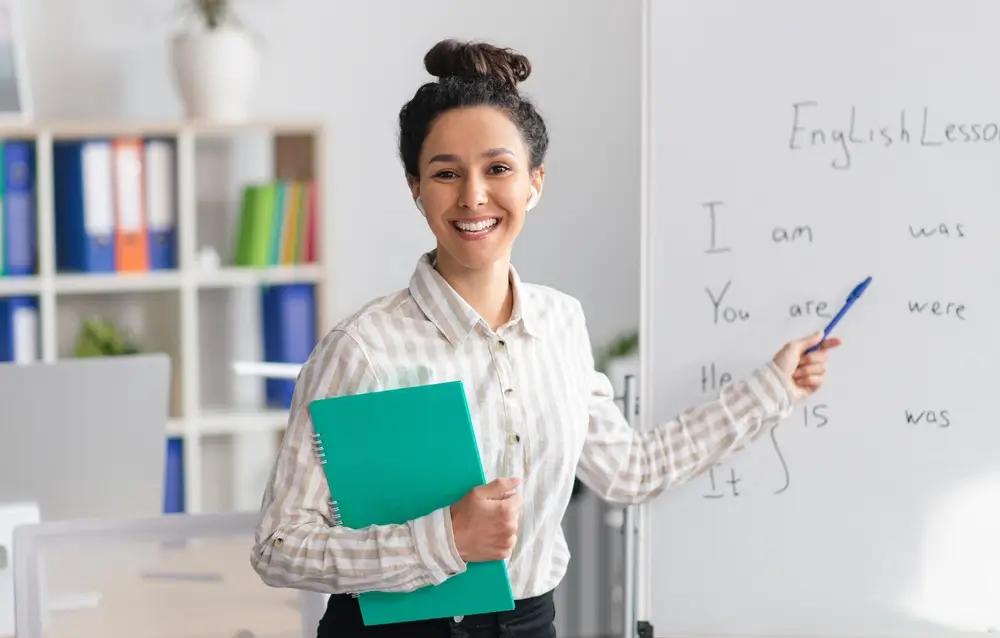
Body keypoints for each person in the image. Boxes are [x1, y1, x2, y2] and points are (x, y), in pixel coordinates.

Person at [251, 39, 842, 638]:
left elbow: (629, 471)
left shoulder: (561, 324)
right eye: (446, 173)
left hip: (530, 623)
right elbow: (279, 545)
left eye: (498, 169)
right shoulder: (363, 349)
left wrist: (773, 388)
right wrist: (443, 540)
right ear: (416, 187)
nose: (473, 196)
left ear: (535, 182)